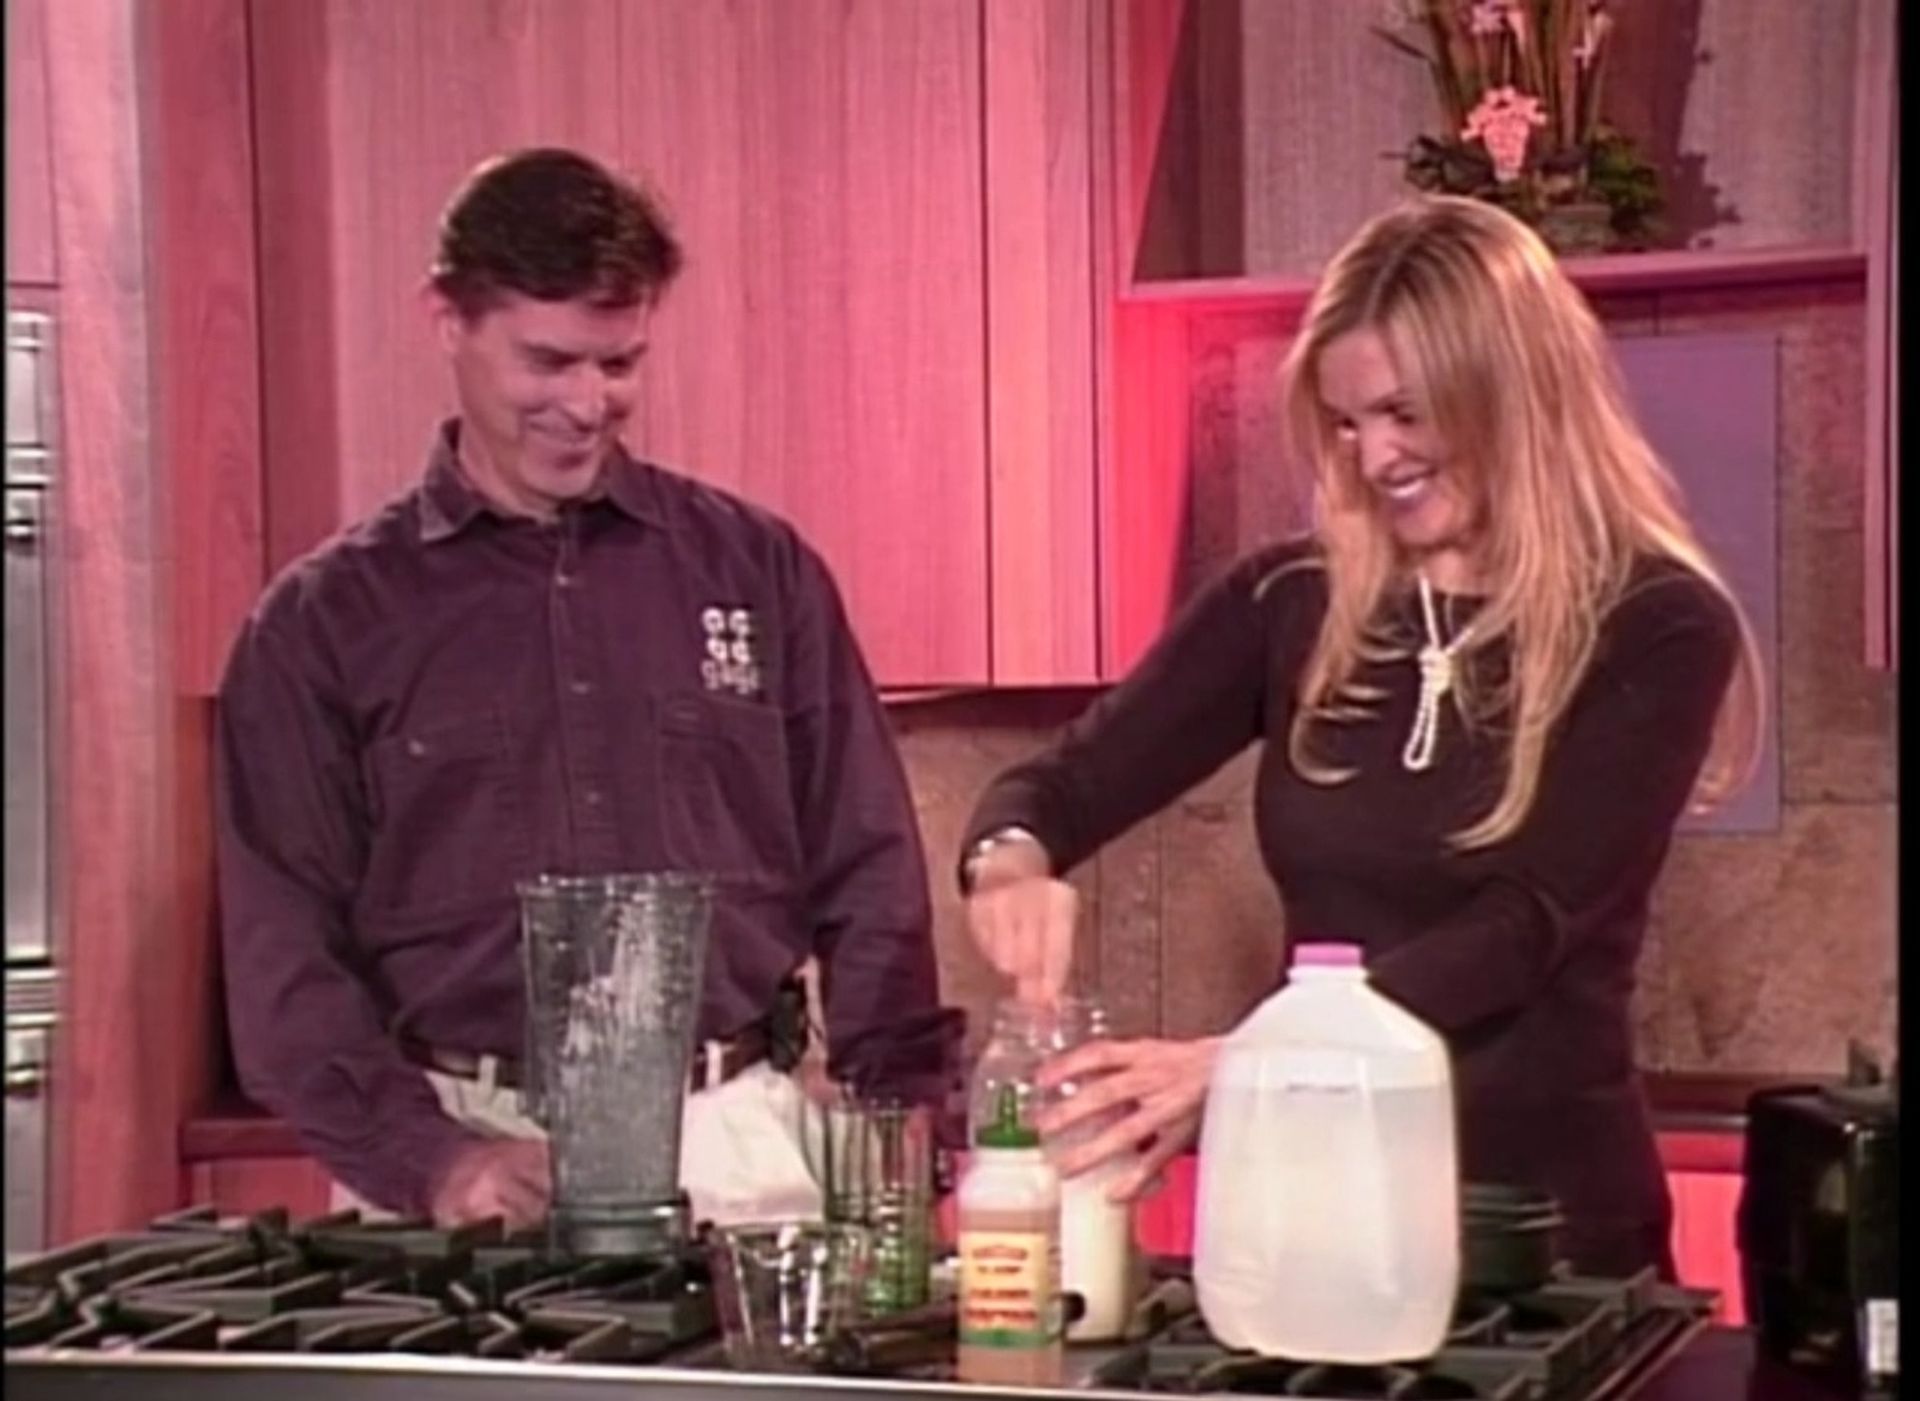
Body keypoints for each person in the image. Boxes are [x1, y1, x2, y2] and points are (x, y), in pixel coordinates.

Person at [956, 194, 1764, 1279]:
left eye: (1406, 413)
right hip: (1316, 1217)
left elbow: (1523, 926)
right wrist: (1007, 858)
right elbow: (1066, 782)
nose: (1376, 456)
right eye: (1345, 423)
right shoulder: (1286, 601)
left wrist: (1246, 1064)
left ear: (1513, 396)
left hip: (1541, 1239)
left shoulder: (1658, 623)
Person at [215, 147, 960, 1231]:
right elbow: (283, 960)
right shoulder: (319, 626)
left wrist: (908, 1134)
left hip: (734, 1144)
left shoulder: (760, 570)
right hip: (457, 1154)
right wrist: (432, 1162)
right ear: (448, 320)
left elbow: (870, 873)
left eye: (618, 365)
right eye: (548, 360)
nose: (587, 403)